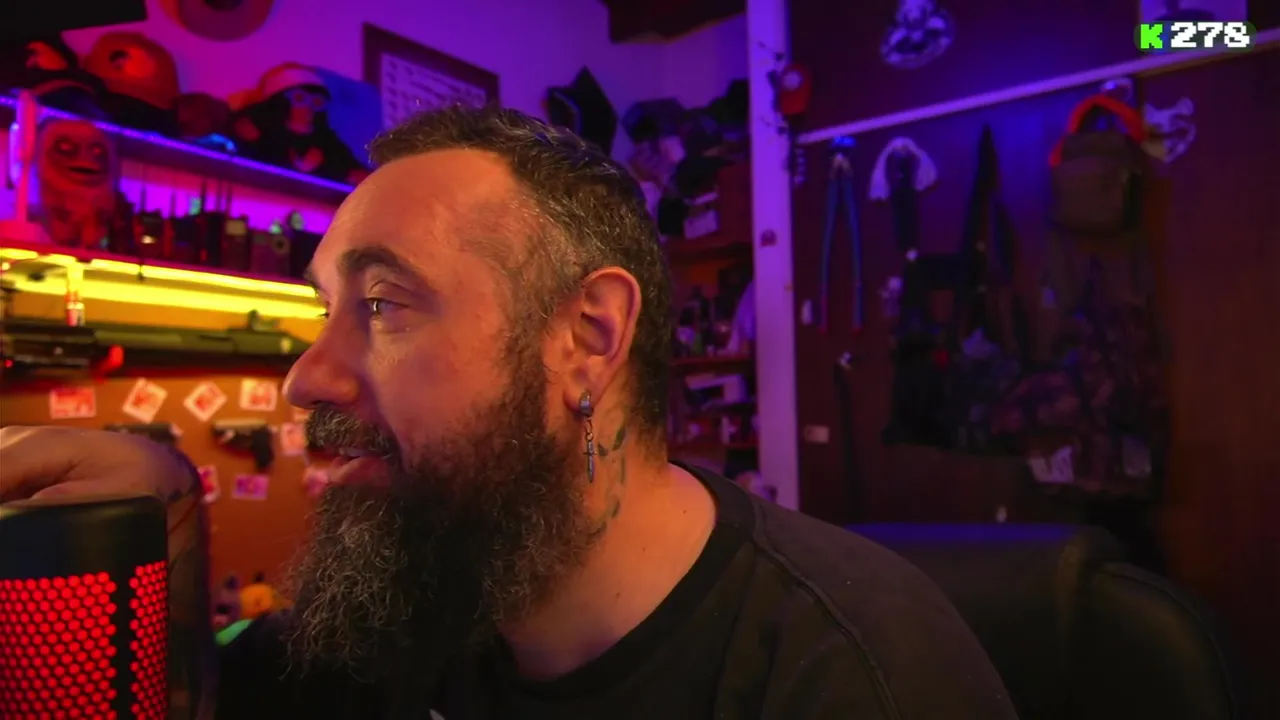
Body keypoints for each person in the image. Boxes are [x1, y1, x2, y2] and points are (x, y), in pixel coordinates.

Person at [0, 105, 1017, 719]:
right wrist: (168, 525)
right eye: (324, 313)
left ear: (588, 335)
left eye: (384, 305)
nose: (305, 379)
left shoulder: (851, 675)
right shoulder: (412, 594)